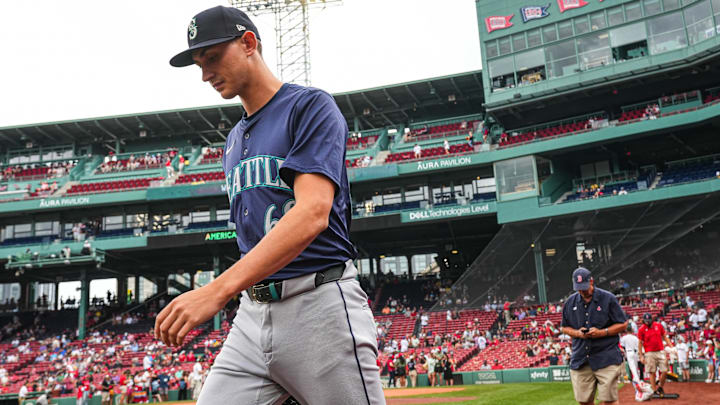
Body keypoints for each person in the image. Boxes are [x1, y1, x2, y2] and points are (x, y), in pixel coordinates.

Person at [158, 6, 384, 405]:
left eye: (211, 58)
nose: (205, 73)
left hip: (319, 304)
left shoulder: (310, 107)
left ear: (248, 43)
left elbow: (313, 212)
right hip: (252, 314)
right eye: (198, 63)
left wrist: (217, 290)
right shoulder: (232, 142)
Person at [561, 267, 628, 405]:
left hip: (606, 356)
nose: (581, 291)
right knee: (584, 401)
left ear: (591, 281)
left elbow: (623, 324)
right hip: (581, 358)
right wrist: (578, 333)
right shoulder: (570, 302)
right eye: (578, 288)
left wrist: (602, 332)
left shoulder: (608, 298)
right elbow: (564, 327)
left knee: (609, 400)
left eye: (584, 287)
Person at [638, 313, 673, 395]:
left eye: (649, 320)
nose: (647, 322)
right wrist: (641, 356)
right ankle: (654, 390)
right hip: (649, 352)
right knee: (651, 371)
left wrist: (671, 346)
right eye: (646, 321)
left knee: (665, 370)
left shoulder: (658, 325)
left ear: (652, 319)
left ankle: (660, 386)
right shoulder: (641, 329)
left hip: (660, 350)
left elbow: (664, 336)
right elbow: (640, 343)